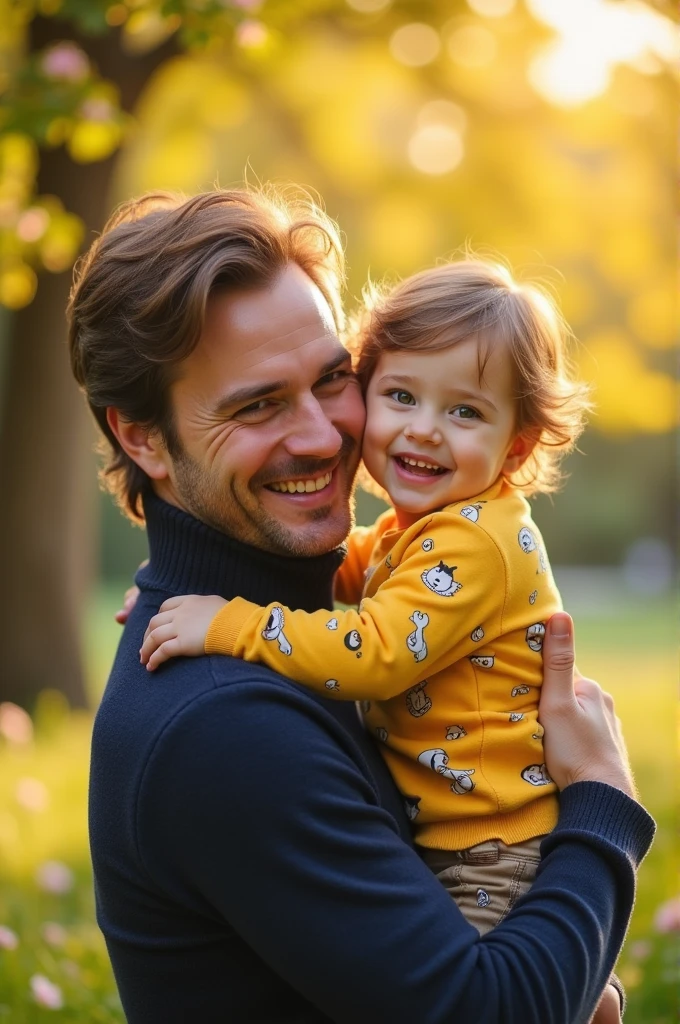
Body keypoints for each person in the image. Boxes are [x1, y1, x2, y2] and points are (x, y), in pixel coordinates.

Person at [69, 186, 654, 1024]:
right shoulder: (223, 725)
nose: (322, 434)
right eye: (258, 405)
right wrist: (600, 804)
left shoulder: (288, 615)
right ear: (142, 437)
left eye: (332, 380)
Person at [139, 258, 588, 936]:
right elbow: (339, 572)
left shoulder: (475, 546)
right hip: (457, 834)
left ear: (516, 448)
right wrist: (192, 594)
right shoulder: (417, 532)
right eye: (401, 396)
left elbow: (373, 652)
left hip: (494, 848)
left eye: (465, 411)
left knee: (484, 1000)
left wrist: (231, 623)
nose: (425, 428)